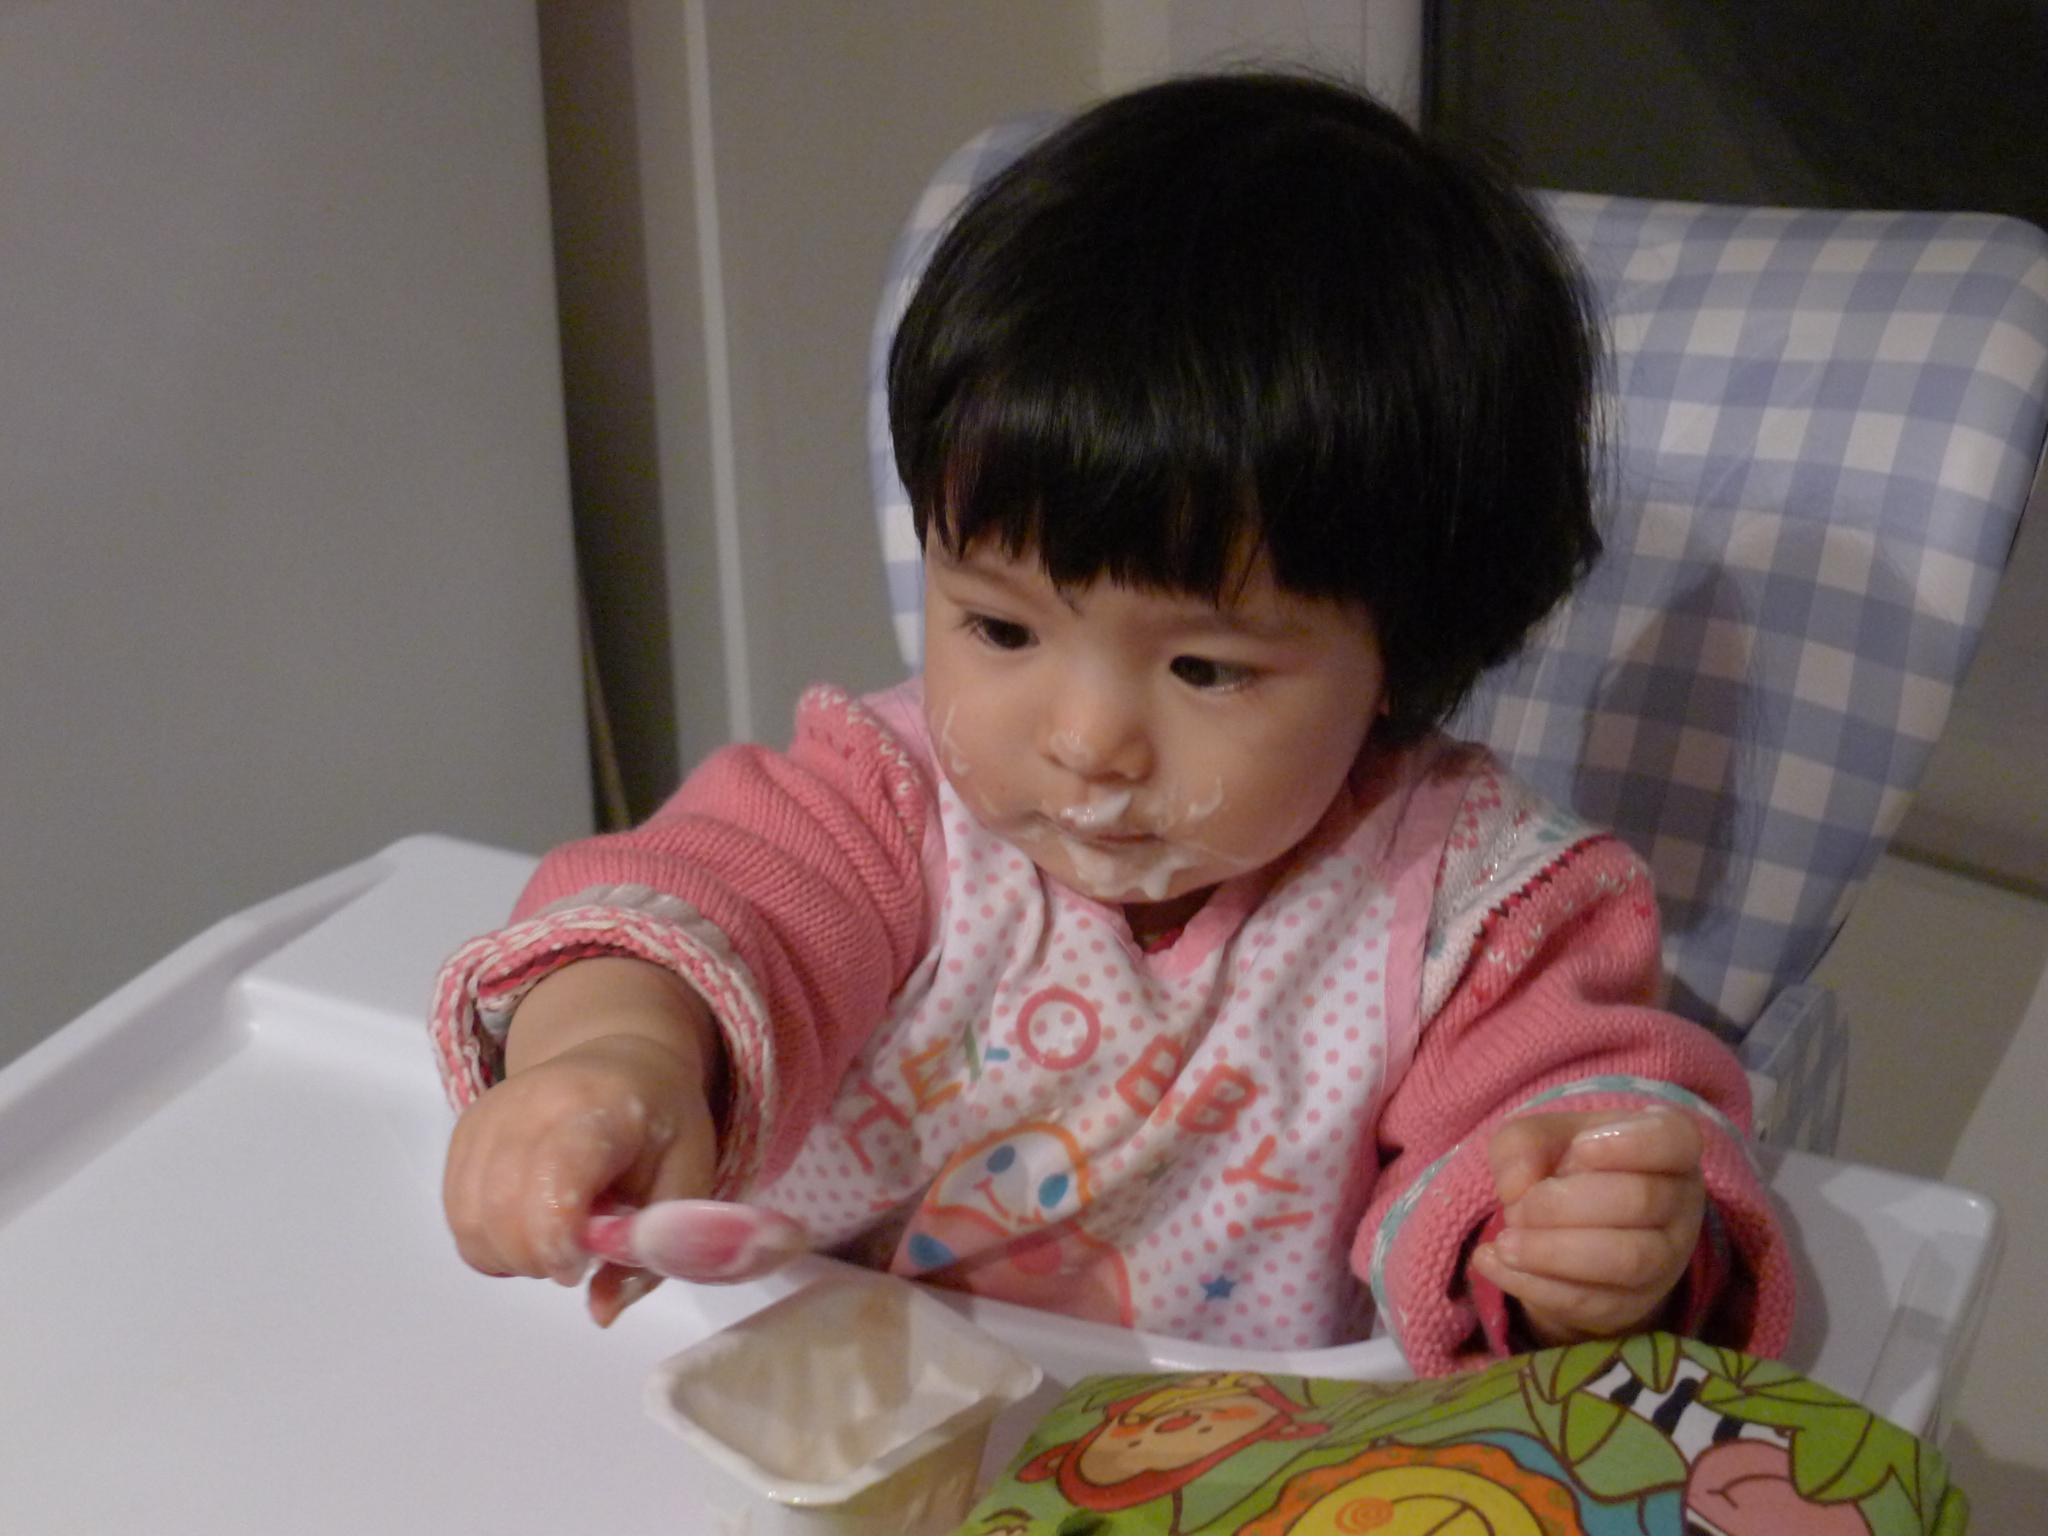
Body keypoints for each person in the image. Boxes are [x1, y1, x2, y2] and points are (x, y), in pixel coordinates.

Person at [430, 71, 1792, 1374]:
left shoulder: (1471, 914)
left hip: (1215, 1464)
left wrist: (1579, 1245)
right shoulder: (889, 805)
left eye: (1204, 668)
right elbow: (705, 909)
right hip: (815, 1410)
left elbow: (1572, 1119)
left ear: (1406, 648)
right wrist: (618, 1054)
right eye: (1001, 628)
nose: (1085, 742)